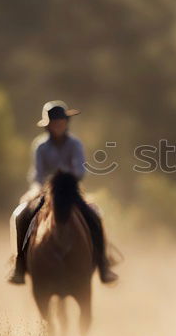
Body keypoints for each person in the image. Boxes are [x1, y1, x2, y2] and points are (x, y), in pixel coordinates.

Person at [8, 100, 118, 285]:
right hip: (44, 190)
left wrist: (66, 179)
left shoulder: (75, 144)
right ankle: (19, 265)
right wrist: (39, 188)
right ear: (48, 126)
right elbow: (37, 173)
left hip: (69, 189)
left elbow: (80, 171)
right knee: (20, 215)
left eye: (62, 122)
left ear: (66, 123)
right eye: (55, 123)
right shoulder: (40, 146)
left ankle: (103, 264)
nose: (59, 125)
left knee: (95, 215)